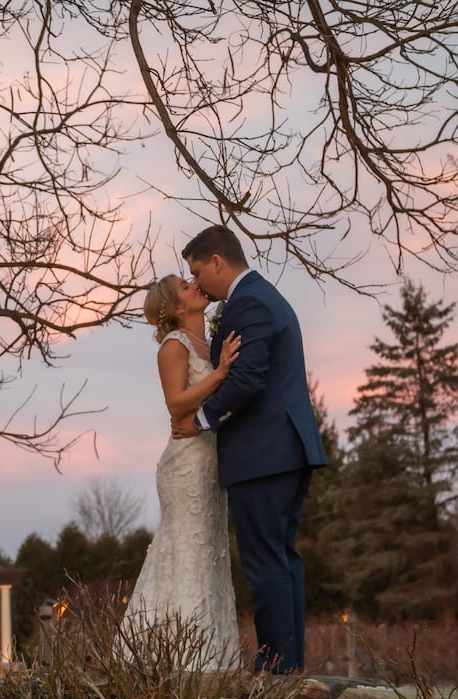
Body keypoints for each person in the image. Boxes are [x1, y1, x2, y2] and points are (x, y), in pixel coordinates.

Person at [172, 224, 327, 674]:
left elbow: (248, 378)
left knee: (265, 563)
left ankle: (276, 668)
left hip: (265, 454)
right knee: (280, 560)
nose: (197, 282)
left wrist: (199, 421)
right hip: (281, 451)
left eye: (198, 271)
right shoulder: (257, 297)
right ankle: (289, 666)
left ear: (218, 262)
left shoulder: (252, 303)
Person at [122, 274, 242, 670]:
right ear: (176, 308)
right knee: (187, 549)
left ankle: (216, 657)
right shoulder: (174, 347)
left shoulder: (209, 342)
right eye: (186, 287)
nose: (195, 285)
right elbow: (176, 405)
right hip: (186, 462)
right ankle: (183, 661)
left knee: (210, 551)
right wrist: (220, 373)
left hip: (210, 458)